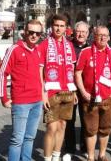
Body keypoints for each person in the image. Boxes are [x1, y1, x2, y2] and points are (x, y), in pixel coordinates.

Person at [0, 20, 45, 161]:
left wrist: (43, 95)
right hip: (21, 102)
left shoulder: (38, 50)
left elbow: (41, 75)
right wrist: (3, 98)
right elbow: (2, 73)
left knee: (30, 137)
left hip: (37, 101)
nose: (34, 36)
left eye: (38, 33)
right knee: (17, 139)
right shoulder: (14, 49)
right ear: (25, 32)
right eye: (31, 32)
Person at [75, 26, 111, 161]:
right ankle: (90, 157)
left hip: (108, 98)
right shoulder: (85, 52)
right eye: (100, 35)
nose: (102, 38)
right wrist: (83, 92)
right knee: (90, 130)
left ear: (109, 37)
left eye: (105, 35)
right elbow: (77, 73)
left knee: (105, 129)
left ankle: (101, 154)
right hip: (90, 98)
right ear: (94, 36)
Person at [39, 15, 77, 161]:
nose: (59, 28)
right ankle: (47, 158)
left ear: (66, 28)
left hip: (67, 91)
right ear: (51, 26)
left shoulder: (69, 45)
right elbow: (40, 71)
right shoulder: (44, 45)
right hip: (51, 92)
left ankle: (56, 156)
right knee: (51, 128)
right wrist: (43, 94)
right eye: (56, 25)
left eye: (62, 26)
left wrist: (74, 92)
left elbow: (71, 69)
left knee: (62, 126)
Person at [63, 21, 90, 157]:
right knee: (69, 120)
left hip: (86, 89)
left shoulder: (91, 48)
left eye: (84, 32)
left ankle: (85, 148)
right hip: (69, 88)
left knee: (87, 119)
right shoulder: (67, 46)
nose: (81, 34)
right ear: (74, 32)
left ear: (88, 34)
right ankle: (69, 149)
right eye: (78, 31)